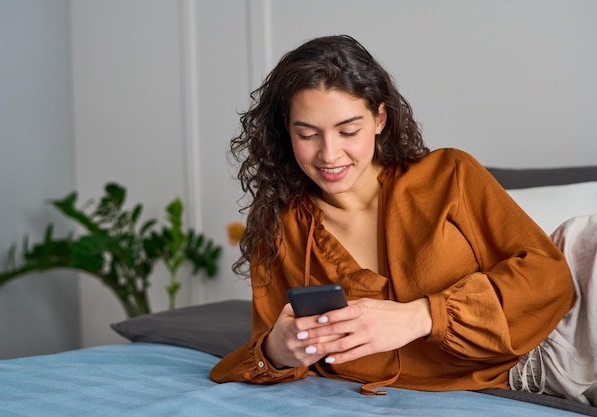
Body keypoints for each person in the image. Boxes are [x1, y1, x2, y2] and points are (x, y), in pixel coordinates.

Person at [210, 34, 576, 397]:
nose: (329, 154)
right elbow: (261, 350)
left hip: (564, 335)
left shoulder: (450, 175)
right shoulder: (279, 230)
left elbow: (550, 277)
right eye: (307, 134)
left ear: (380, 118)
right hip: (523, 379)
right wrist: (278, 349)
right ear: (286, 131)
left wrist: (422, 316)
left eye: (348, 131)